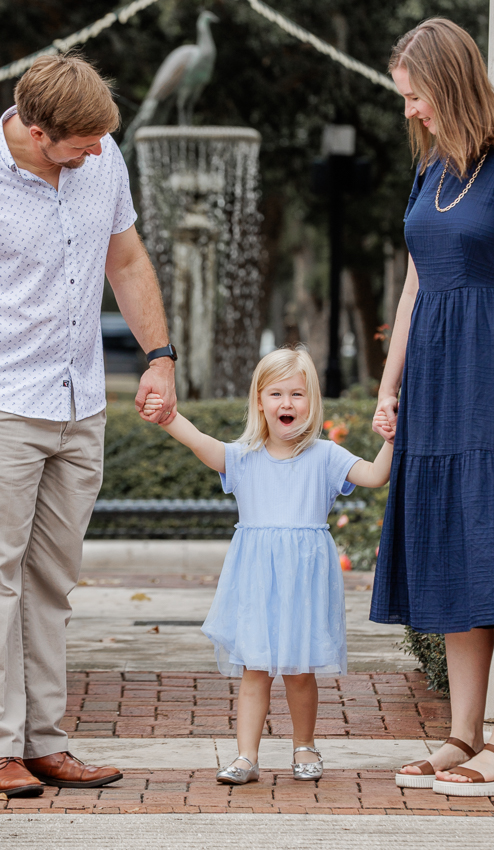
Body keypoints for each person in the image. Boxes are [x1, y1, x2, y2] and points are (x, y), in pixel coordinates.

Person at [371, 17, 494, 798]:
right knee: (455, 550)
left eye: (415, 97)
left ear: (448, 85)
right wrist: (390, 385)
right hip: (437, 384)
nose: (410, 111)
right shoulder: (436, 167)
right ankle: (462, 734)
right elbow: (417, 283)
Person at [0, 54, 177, 798]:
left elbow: (127, 259)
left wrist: (160, 358)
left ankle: (43, 741)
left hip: (80, 407)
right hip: (7, 403)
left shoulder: (103, 161)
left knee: (49, 584)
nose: (100, 150)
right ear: (38, 134)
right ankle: (0, 744)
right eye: (82, 142)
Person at [143, 347, 393, 784]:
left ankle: (304, 745)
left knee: (299, 671)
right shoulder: (243, 457)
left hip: (305, 581)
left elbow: (374, 476)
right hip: (257, 580)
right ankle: (246, 756)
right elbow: (200, 441)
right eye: (275, 393)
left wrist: (393, 438)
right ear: (259, 400)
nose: (287, 404)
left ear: (311, 402)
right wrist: (168, 417)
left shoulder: (326, 456)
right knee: (254, 669)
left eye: (297, 394)